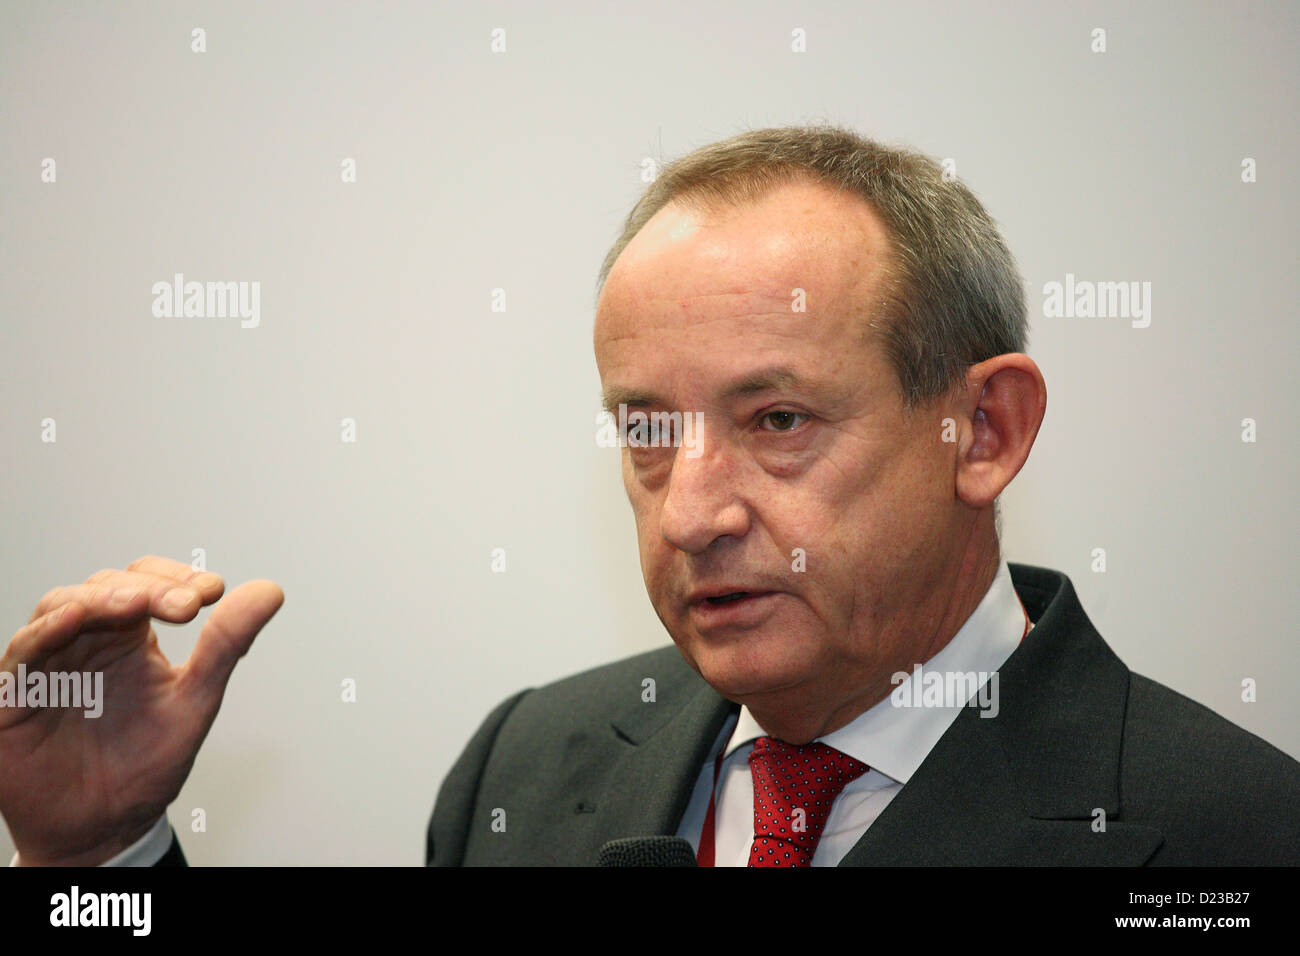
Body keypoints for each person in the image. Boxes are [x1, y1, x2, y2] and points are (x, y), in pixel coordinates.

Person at [4, 126, 1297, 867]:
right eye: (646, 432)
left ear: (984, 429)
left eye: (777, 421)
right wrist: (94, 862)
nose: (688, 514)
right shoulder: (527, 767)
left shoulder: (1232, 834)